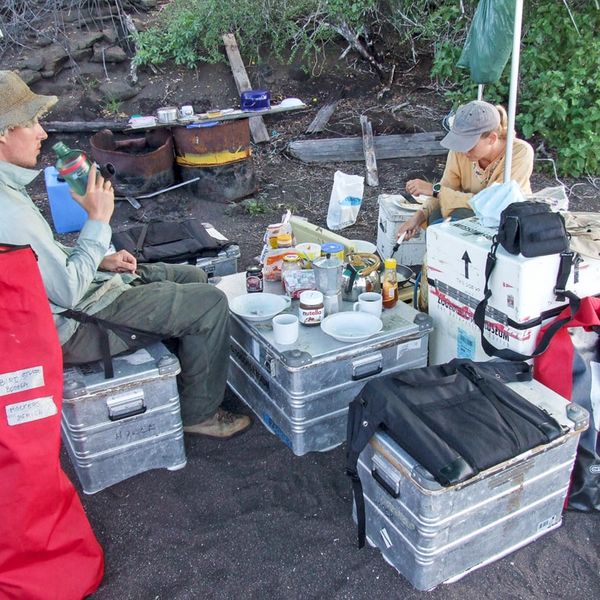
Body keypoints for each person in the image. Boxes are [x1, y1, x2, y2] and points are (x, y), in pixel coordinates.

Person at [0, 70, 251, 439]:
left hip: (76, 298)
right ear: (4, 133)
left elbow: (35, 260)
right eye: (32, 123)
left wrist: (100, 260)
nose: (42, 133)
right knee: (209, 303)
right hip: (76, 323)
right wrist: (97, 220)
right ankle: (198, 414)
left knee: (193, 277)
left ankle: (183, 377)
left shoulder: (8, 190)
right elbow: (66, 292)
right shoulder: (8, 210)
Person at [398, 100, 534, 239]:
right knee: (436, 215)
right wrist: (416, 219)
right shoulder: (460, 151)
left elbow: (491, 205)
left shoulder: (519, 153)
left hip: (506, 223)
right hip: (469, 213)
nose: (463, 151)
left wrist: (436, 190)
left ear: (492, 138)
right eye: (460, 143)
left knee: (458, 217)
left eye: (469, 145)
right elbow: (446, 188)